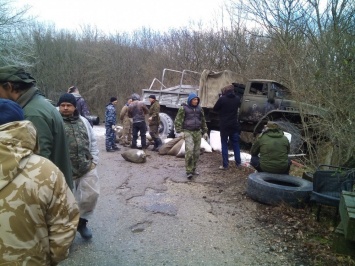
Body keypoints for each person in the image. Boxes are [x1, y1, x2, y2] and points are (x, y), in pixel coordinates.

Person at [0, 99, 79, 265]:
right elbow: (64, 227)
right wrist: (49, 259)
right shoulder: (45, 171)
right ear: (22, 125)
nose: (65, 108)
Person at [0, 65, 73, 189]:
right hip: (55, 189)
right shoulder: (39, 103)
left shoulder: (31, 114)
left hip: (46, 193)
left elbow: (37, 165)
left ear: (9, 86)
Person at [58, 93, 100, 240]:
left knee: (90, 196)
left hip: (86, 167)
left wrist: (94, 161)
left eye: (68, 105)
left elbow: (93, 141)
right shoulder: (55, 121)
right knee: (63, 203)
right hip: (63, 170)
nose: (65, 108)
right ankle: (64, 232)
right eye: (62, 105)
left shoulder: (83, 121)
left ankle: (81, 224)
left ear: (74, 106)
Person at [174, 93, 208, 179]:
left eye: (197, 100)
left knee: (196, 152)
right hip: (188, 131)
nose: (196, 101)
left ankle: (193, 169)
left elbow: (203, 120)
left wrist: (205, 131)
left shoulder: (200, 109)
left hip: (197, 132)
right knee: (189, 150)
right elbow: (178, 120)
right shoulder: (183, 108)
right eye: (194, 100)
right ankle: (188, 171)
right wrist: (179, 131)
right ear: (190, 100)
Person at [213, 84, 242, 170]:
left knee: (224, 144)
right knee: (236, 145)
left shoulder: (222, 99)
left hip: (224, 126)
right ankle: (238, 164)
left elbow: (215, 109)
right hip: (234, 125)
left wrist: (221, 98)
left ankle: (225, 165)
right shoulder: (237, 99)